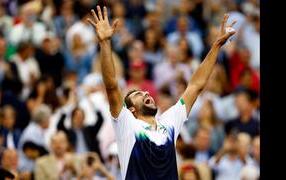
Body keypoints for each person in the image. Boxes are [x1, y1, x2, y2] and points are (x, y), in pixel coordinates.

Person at [87, 4, 236, 179]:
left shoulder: (169, 123)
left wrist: (217, 45)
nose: (145, 94)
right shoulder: (126, 124)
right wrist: (105, 43)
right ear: (131, 110)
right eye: (138, 95)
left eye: (145, 93)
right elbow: (112, 86)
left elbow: (195, 86)